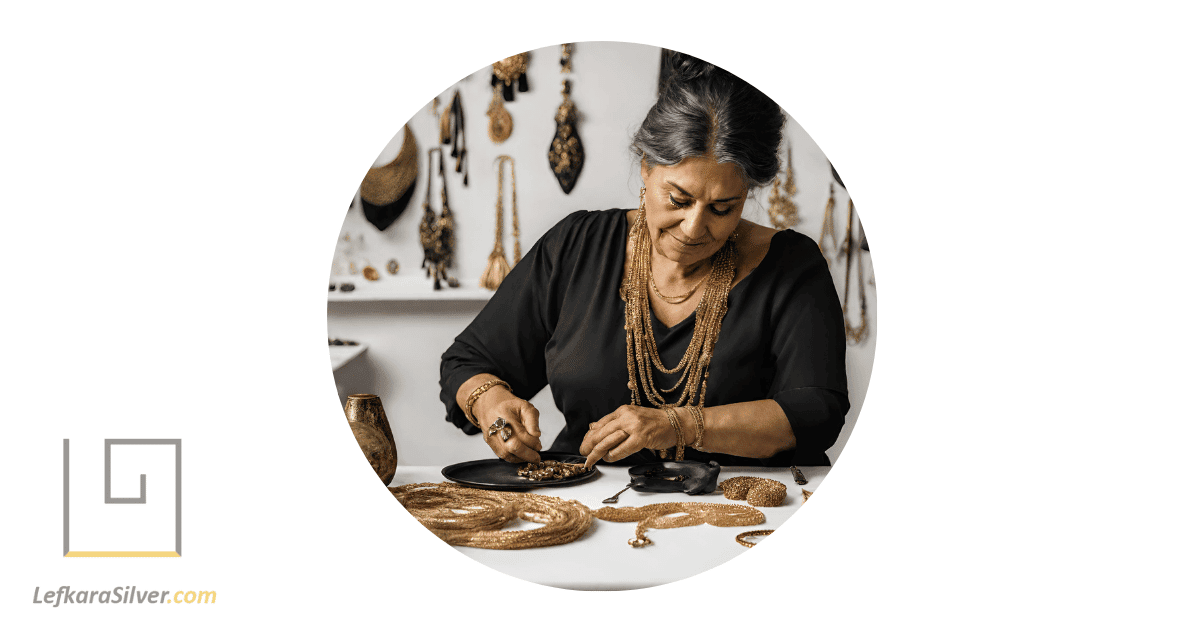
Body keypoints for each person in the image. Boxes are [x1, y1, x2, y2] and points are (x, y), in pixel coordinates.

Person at [439, 53, 848, 469]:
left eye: (723, 208)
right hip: (590, 497)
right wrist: (491, 403)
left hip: (745, 508)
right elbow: (469, 362)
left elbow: (816, 410)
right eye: (679, 200)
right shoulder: (576, 247)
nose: (693, 227)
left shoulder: (792, 266)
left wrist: (679, 425)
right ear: (647, 167)